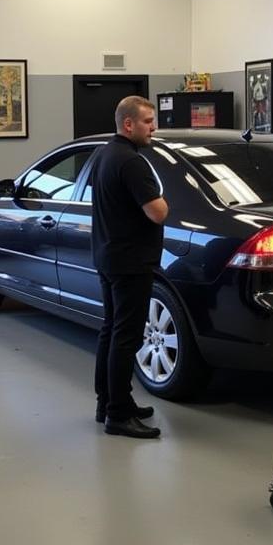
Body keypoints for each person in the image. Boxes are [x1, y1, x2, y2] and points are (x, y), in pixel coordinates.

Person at [89, 95, 169, 439]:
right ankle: (118, 415)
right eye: (148, 121)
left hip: (108, 256)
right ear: (129, 124)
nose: (154, 128)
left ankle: (107, 401)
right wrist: (166, 199)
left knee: (112, 330)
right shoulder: (132, 162)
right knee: (127, 336)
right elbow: (157, 211)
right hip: (130, 262)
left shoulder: (104, 154)